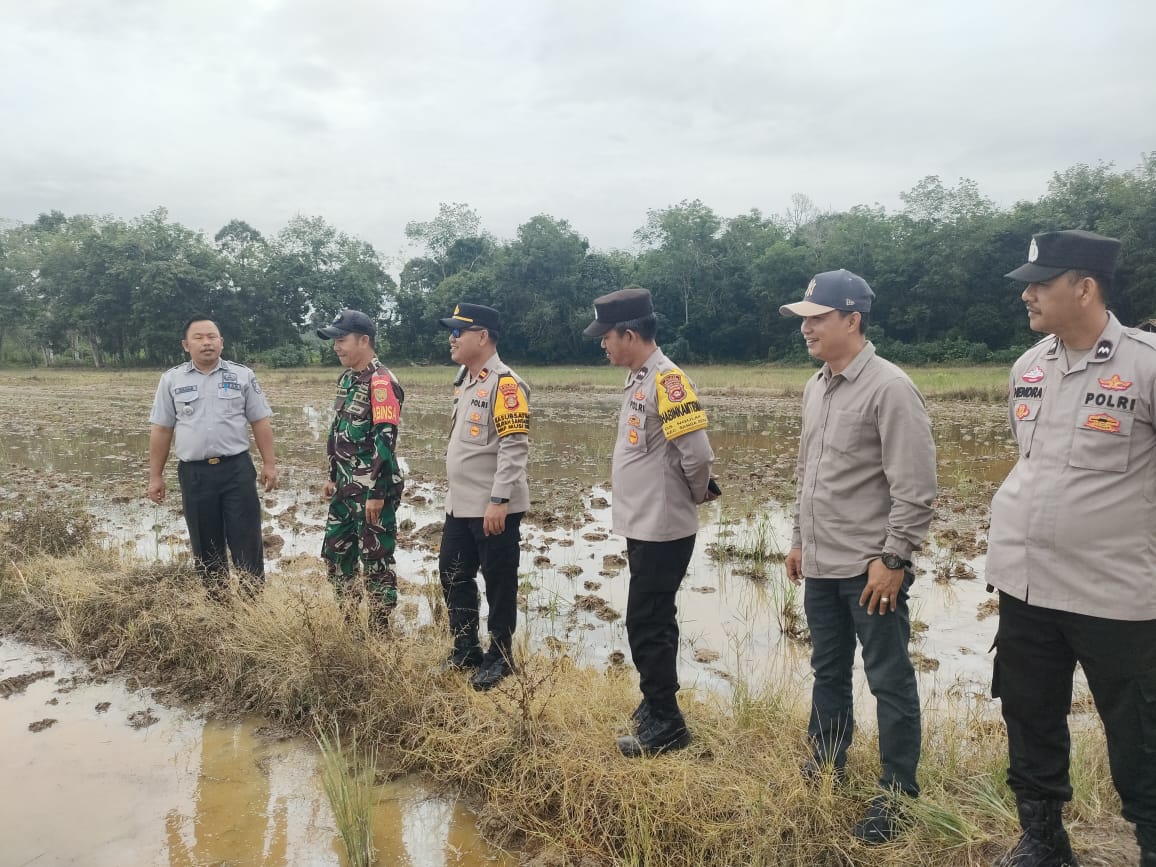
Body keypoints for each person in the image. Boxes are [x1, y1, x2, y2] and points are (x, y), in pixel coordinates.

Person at [987, 230, 1156, 867]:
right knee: (1029, 716)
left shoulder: (1145, 364)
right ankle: (1043, 837)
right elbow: (1031, 465)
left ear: (1084, 287)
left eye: (1042, 282)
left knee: (1141, 731)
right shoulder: (1027, 368)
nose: (1027, 293)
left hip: (1116, 594)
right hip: (1026, 583)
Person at [780, 270, 936, 843]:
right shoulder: (817, 385)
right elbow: (808, 474)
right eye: (804, 319)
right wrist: (798, 539)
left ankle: (898, 793)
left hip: (870, 569)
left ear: (853, 320)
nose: (807, 329)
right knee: (827, 670)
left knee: (888, 678)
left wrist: (893, 558)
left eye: (817, 318)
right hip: (821, 563)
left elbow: (915, 484)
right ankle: (824, 764)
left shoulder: (890, 388)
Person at [583, 286, 718, 757]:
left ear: (631, 333)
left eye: (607, 336)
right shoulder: (640, 377)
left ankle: (668, 723)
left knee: (647, 622)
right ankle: (654, 700)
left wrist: (694, 494)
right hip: (644, 524)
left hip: (663, 527)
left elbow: (698, 455)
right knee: (653, 619)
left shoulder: (667, 381)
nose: (602, 343)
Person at [147, 316, 278, 596]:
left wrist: (269, 463)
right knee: (205, 543)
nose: (206, 342)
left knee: (247, 539)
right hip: (195, 474)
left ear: (221, 342)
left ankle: (253, 604)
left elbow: (260, 422)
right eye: (199, 337)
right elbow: (161, 429)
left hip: (236, 470)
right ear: (186, 345)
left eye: (212, 336)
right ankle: (217, 603)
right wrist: (155, 476)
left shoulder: (243, 376)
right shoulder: (171, 380)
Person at [437, 303, 530, 691]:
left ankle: (501, 656)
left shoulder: (506, 385)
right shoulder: (467, 380)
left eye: (459, 332)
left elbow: (514, 445)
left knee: (498, 582)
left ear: (483, 336)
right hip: (460, 505)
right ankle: (465, 647)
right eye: (452, 332)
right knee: (453, 573)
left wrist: (500, 500)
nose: (452, 338)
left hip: (492, 507)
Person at [317, 308, 405, 631]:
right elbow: (338, 432)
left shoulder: (382, 383)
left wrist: (377, 493)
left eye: (341, 340)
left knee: (376, 561)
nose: (336, 347)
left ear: (364, 340)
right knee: (337, 554)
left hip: (371, 492)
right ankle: (351, 628)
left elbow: (386, 440)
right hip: (344, 488)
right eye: (334, 341)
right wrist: (331, 476)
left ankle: (380, 634)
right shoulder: (348, 379)